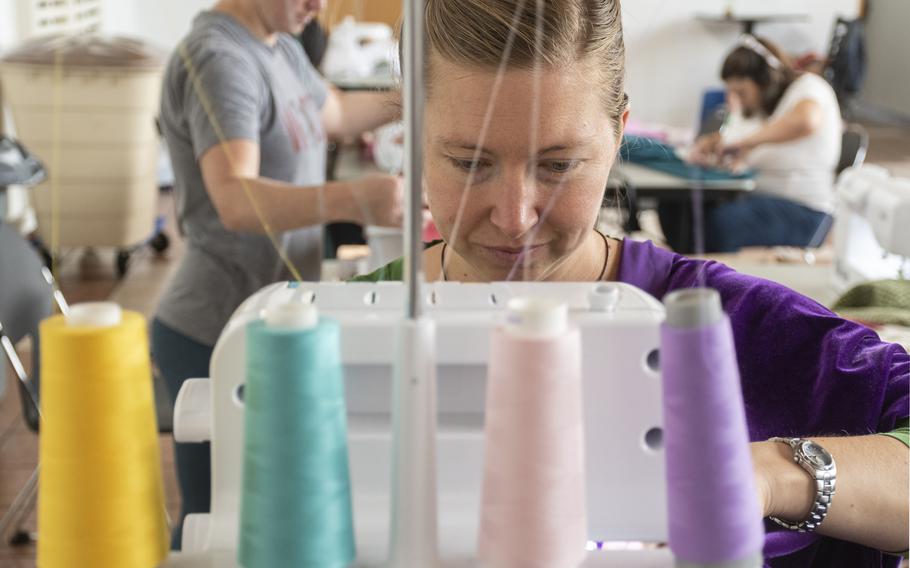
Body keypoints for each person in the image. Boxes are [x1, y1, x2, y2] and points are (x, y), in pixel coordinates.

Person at [353, 1, 909, 565]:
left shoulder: (723, 327)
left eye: (557, 164)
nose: (516, 216)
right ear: (415, 136)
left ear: (617, 134)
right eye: (470, 163)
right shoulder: (337, 331)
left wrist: (772, 474)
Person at [152, 0, 403, 548]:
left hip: (268, 316)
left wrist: (421, 97)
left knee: (267, 513)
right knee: (216, 522)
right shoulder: (218, 59)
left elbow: (334, 113)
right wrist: (357, 199)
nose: (319, 6)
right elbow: (235, 199)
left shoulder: (280, 45)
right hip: (212, 328)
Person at [685, 35, 843, 253]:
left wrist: (746, 143)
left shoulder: (810, 87)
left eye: (742, 92)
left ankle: (705, 277)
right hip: (764, 198)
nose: (738, 99)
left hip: (806, 211)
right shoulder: (765, 112)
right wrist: (712, 144)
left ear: (765, 79)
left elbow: (806, 121)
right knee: (684, 210)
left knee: (719, 223)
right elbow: (739, 137)